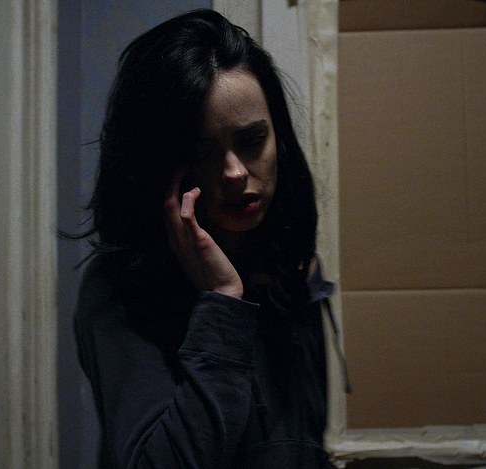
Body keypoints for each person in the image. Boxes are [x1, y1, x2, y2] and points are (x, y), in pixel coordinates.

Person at [74, 9, 339, 468]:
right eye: (202, 152)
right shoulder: (118, 290)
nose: (234, 173)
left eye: (252, 141)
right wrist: (222, 303)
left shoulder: (290, 268)